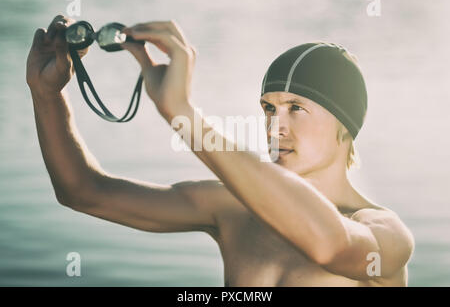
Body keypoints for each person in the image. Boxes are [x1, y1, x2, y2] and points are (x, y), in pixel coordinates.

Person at [26, 15, 415, 286]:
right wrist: (46, 97)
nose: (275, 126)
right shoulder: (233, 208)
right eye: (269, 108)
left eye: (296, 108)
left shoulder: (384, 235)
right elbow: (84, 192)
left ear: (346, 126)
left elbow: (330, 245)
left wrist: (182, 115)